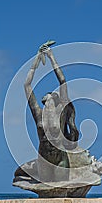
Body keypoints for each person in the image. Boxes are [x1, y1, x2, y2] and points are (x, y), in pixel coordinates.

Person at [24, 42, 79, 182]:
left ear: (54, 99)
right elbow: (27, 85)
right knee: (46, 189)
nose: (45, 98)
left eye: (48, 96)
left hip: (60, 157)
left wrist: (51, 57)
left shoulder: (60, 112)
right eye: (44, 99)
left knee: (60, 188)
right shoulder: (38, 113)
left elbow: (62, 81)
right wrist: (37, 58)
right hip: (44, 158)